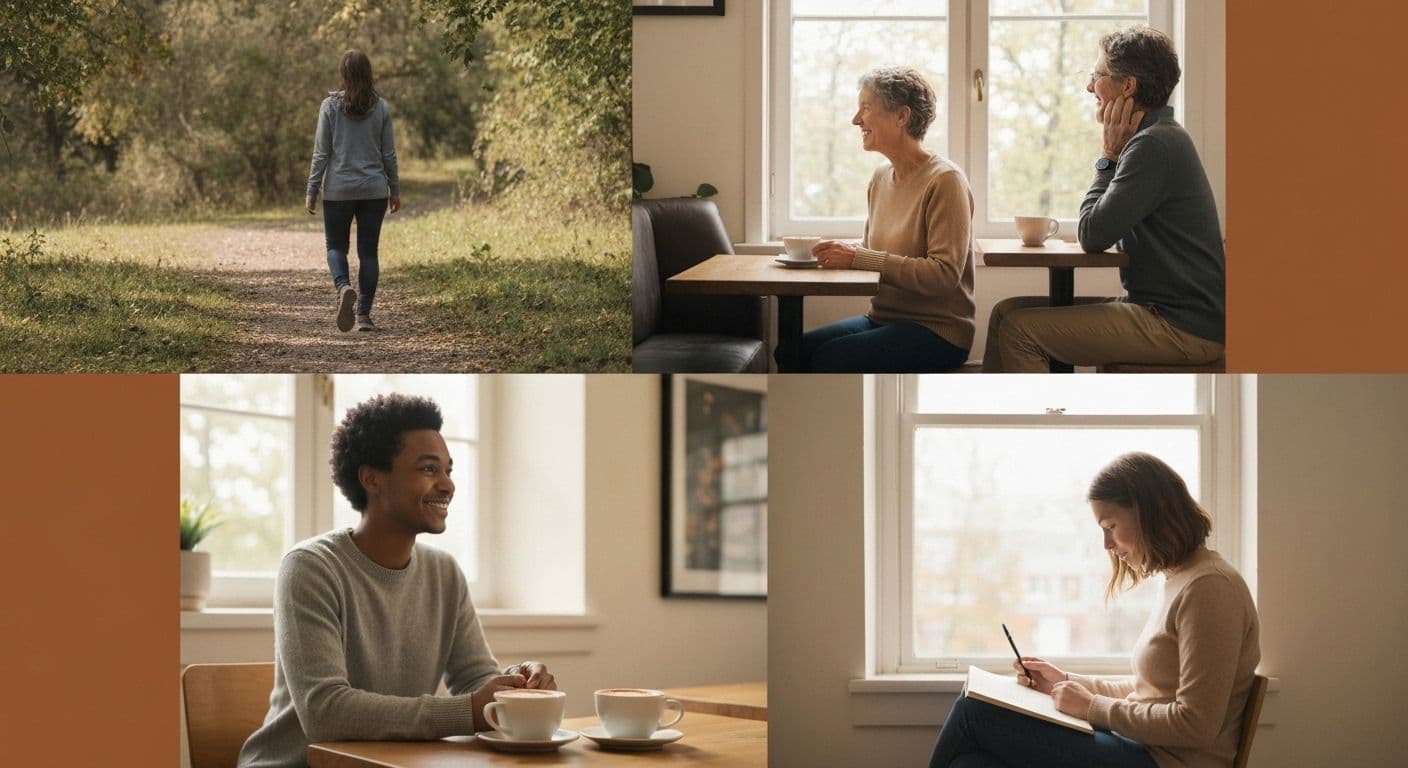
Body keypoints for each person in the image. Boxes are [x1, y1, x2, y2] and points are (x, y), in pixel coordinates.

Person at [237, 394, 554, 768]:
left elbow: (474, 679)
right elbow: (324, 712)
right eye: (428, 469)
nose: (447, 485)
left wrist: (514, 686)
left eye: (448, 471)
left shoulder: (445, 574)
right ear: (372, 478)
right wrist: (467, 711)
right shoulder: (310, 567)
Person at [928, 452, 1260, 768]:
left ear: (1148, 512)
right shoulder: (1181, 580)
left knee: (973, 711)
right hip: (1142, 750)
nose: (1107, 545)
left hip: (1165, 762)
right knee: (968, 764)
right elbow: (1149, 691)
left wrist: (1091, 707)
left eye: (1110, 526)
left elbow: (1195, 724)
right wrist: (1067, 682)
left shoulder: (1211, 589)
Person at [983, 27, 1225, 372]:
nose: (1089, 86)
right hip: (1159, 311)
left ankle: (1039, 425)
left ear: (1128, 86)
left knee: (1020, 331)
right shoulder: (1157, 138)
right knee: (1005, 312)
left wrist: (1108, 155)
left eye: (1096, 75)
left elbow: (1092, 234)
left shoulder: (1152, 146)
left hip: (1181, 327)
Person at [784, 66, 976, 373]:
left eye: (865, 108)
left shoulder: (946, 181)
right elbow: (874, 251)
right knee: (791, 351)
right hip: (883, 319)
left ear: (902, 117)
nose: (856, 119)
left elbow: (943, 274)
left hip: (937, 332)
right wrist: (840, 254)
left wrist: (859, 257)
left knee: (829, 359)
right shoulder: (881, 178)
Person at [305, 49, 400, 333]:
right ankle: (364, 316)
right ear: (368, 72)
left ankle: (344, 286)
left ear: (343, 74)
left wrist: (312, 188)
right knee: (368, 253)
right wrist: (394, 189)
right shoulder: (380, 107)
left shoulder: (329, 106)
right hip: (373, 190)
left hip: (338, 189)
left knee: (335, 247)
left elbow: (321, 153)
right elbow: (389, 154)